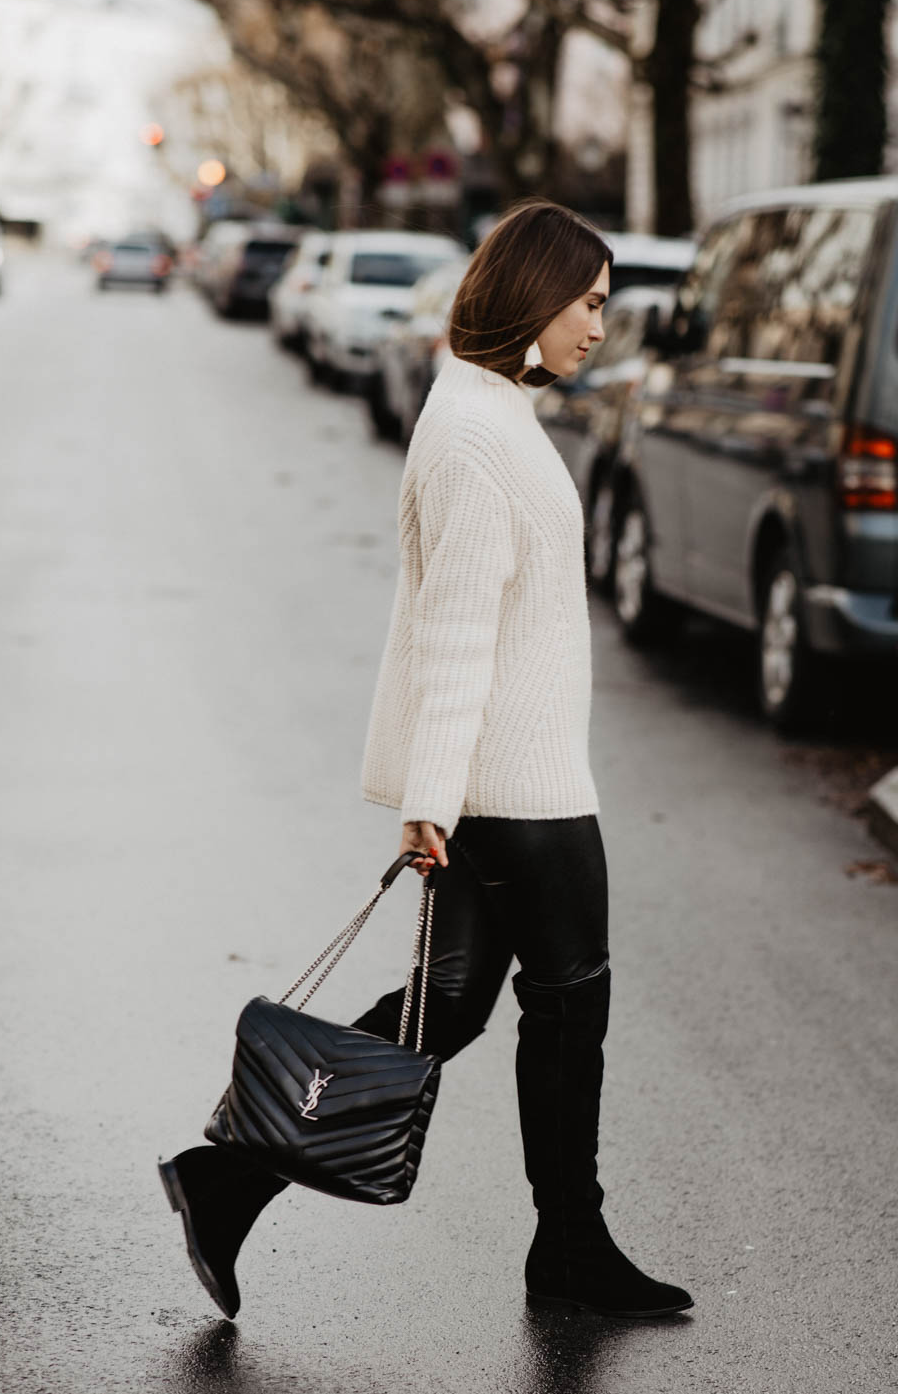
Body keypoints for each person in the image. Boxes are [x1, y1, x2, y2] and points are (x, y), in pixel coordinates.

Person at [159, 199, 693, 1323]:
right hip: (520, 789)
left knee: (444, 1010)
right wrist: (430, 800)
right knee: (569, 1007)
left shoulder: (486, 407)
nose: (600, 324)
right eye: (588, 302)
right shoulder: (477, 437)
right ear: (534, 294)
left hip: (495, 782)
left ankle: (226, 1176)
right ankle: (570, 1249)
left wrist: (440, 795)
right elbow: (455, 631)